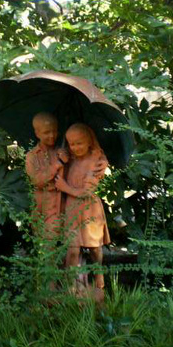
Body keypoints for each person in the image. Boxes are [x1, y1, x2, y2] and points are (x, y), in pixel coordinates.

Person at [54, 123, 110, 298]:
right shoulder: (70, 160)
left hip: (89, 210)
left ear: (89, 142)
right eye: (71, 144)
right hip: (71, 209)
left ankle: (99, 278)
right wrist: (60, 160)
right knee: (72, 249)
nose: (75, 147)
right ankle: (71, 286)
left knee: (94, 248)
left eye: (79, 143)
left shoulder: (96, 162)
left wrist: (65, 187)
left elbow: (86, 192)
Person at [25, 112, 68, 241]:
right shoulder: (31, 156)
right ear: (37, 133)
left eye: (54, 131)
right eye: (46, 132)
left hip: (60, 203)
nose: (52, 135)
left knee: (58, 241)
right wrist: (58, 164)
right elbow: (37, 181)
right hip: (40, 205)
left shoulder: (61, 152)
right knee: (43, 243)